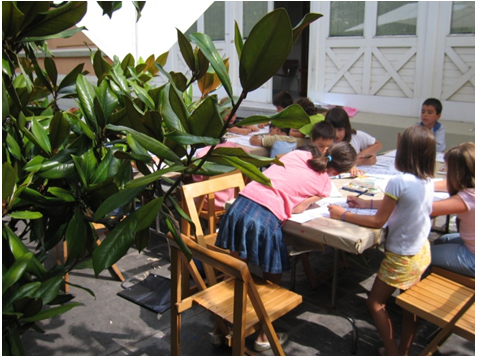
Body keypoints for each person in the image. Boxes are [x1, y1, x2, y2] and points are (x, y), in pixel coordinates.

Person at [216, 142, 357, 351]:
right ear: (338, 171)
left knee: (235, 271)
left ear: (327, 151)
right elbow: (298, 208)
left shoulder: (298, 155)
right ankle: (264, 335)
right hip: (264, 217)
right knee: (273, 275)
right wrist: (313, 199)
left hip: (239, 206)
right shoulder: (325, 184)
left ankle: (219, 330)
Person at [328, 125, 436, 356]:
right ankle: (404, 351)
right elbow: (399, 203)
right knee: (409, 307)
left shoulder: (399, 182)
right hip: (421, 252)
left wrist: (343, 214)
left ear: (404, 153)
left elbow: (378, 222)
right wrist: (365, 203)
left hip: (401, 257)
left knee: (375, 303)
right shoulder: (427, 181)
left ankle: (392, 352)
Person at [431, 142, 475, 277]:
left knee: (421, 258)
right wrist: (423, 185)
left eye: (447, 169)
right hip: (470, 243)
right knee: (441, 240)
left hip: (472, 258)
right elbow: (446, 185)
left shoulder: (466, 198)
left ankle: (421, 289)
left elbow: (425, 209)